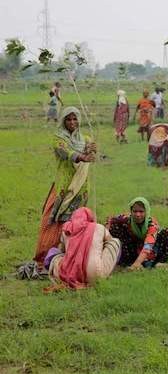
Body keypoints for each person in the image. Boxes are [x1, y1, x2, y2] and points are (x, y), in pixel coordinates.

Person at [34, 107, 96, 267]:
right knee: (51, 220)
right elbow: (65, 152)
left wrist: (92, 151)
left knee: (76, 222)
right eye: (68, 119)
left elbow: (92, 155)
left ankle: (69, 258)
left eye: (75, 119)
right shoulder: (58, 138)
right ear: (63, 121)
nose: (72, 123)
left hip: (81, 188)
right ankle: (44, 257)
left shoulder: (86, 139)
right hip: (63, 187)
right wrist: (82, 156)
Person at [43, 207, 120, 291]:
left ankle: (74, 273)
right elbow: (109, 240)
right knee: (115, 242)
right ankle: (109, 270)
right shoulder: (99, 227)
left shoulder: (67, 228)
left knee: (55, 254)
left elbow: (63, 251)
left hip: (68, 274)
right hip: (96, 275)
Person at [107, 197, 168, 269]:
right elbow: (111, 220)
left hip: (152, 248)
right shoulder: (126, 218)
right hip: (134, 247)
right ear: (131, 211)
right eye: (135, 211)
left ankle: (161, 262)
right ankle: (125, 260)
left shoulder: (152, 225)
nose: (138, 215)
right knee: (115, 226)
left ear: (147, 212)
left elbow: (148, 246)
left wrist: (136, 264)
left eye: (141, 211)